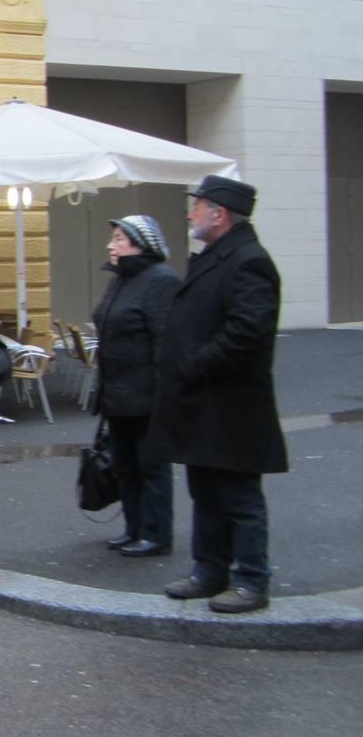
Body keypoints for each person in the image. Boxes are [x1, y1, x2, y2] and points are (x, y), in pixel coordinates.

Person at [152, 175, 287, 614]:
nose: (191, 213)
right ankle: (209, 571)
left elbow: (249, 330)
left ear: (219, 213)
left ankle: (250, 579)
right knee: (206, 489)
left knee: (239, 495)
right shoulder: (216, 256)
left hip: (230, 403)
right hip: (204, 401)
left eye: (198, 206)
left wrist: (197, 363)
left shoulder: (248, 260)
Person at [91, 215, 180, 558]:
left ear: (140, 244)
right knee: (125, 464)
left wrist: (165, 395)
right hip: (116, 393)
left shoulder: (160, 281)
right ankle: (134, 528)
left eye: (118, 239)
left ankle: (156, 533)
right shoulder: (120, 280)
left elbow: (165, 342)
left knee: (151, 465)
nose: (110, 245)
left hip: (146, 395)